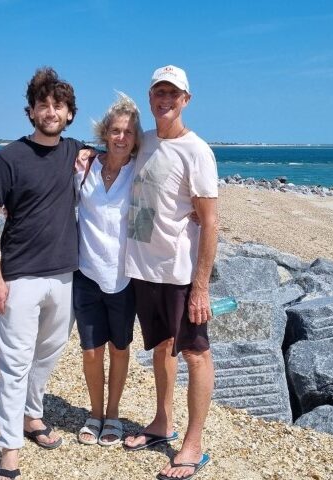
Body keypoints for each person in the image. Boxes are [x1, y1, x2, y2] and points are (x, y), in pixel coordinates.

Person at [0, 67, 93, 480]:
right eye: (43, 105)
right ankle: (9, 451)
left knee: (48, 354)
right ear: (30, 111)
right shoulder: (5, 160)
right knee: (14, 364)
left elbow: (121, 151)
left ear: (70, 114)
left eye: (58, 106)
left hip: (64, 275)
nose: (50, 111)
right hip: (19, 277)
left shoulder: (76, 151)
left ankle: (32, 416)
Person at [122, 65, 218, 480]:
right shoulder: (143, 141)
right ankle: (162, 423)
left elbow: (210, 222)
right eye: (159, 92)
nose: (165, 100)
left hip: (180, 274)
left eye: (173, 94)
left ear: (186, 100)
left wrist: (201, 287)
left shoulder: (197, 151)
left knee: (196, 353)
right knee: (161, 348)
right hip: (144, 269)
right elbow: (113, 149)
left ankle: (193, 444)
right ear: (150, 97)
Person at [73, 93, 141, 447]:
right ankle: (95, 413)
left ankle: (113, 414)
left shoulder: (140, 171)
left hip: (124, 278)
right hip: (86, 274)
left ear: (136, 137)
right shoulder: (85, 168)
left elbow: (155, 215)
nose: (121, 137)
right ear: (105, 133)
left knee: (119, 348)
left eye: (128, 132)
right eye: (115, 130)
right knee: (91, 351)